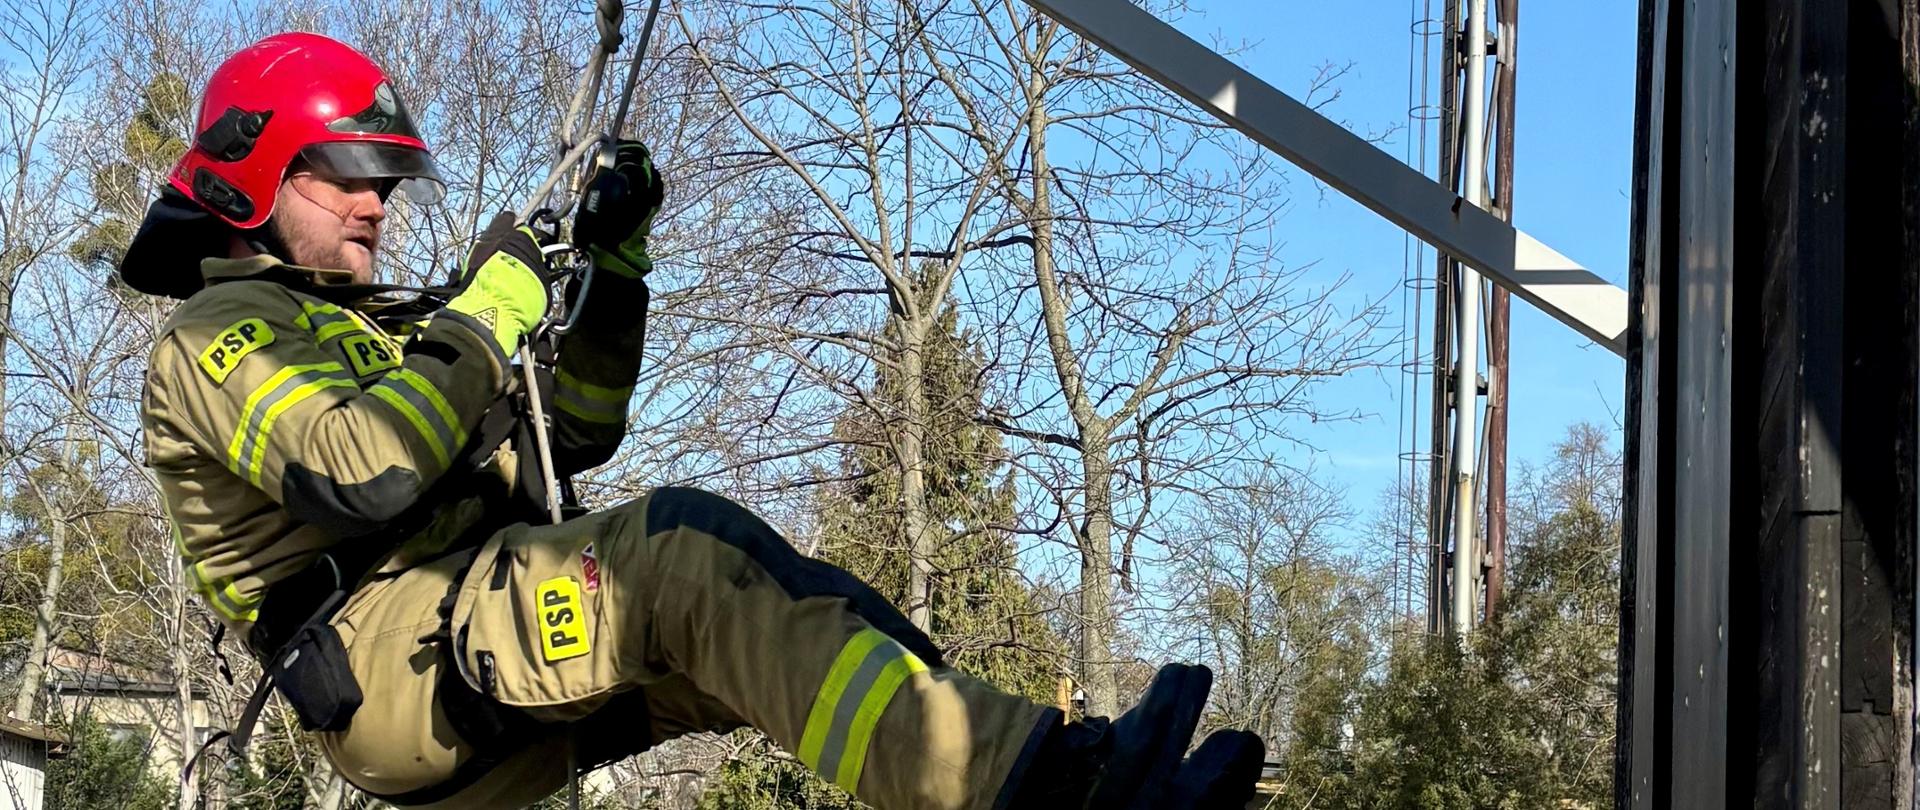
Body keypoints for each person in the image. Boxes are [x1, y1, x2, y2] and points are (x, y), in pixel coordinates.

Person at [124, 32, 1265, 809]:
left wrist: (613, 267)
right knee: (678, 552)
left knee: (786, 613)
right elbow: (363, 470)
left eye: (387, 179)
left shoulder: (376, 330)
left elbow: (573, 432)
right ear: (252, 180)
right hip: (393, 667)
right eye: (344, 175)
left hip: (468, 632)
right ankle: (1053, 790)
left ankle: (1047, 766)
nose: (378, 201)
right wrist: (487, 314)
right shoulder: (220, 333)